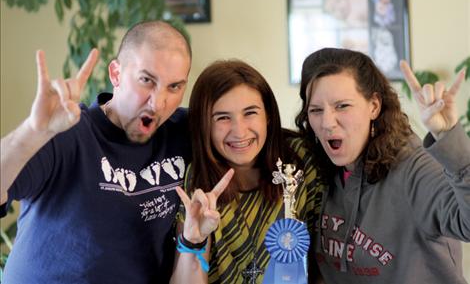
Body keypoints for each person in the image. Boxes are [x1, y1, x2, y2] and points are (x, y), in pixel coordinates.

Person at [0, 21, 194, 283]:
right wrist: (33, 132)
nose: (159, 103)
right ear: (115, 73)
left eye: (174, 87)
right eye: (147, 80)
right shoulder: (67, 133)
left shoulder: (182, 131)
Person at [294, 47, 470, 284]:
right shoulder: (316, 174)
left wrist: (449, 136)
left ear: (374, 106)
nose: (327, 122)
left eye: (342, 106)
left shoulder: (413, 167)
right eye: (315, 110)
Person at [170, 60, 324, 284]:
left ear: (268, 116)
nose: (240, 131)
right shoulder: (197, 179)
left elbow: (326, 257)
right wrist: (194, 241)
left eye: (250, 113)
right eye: (222, 118)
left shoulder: (300, 160)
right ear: (204, 125)